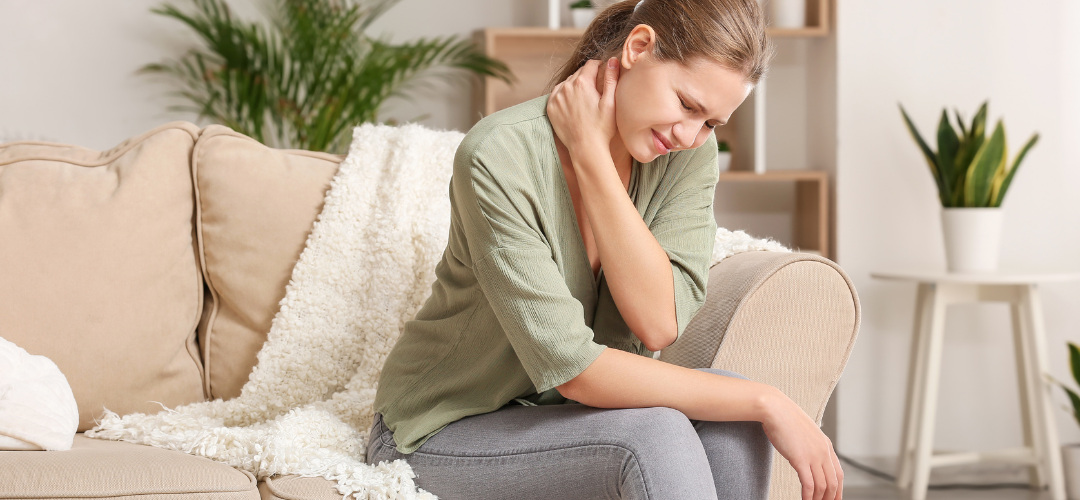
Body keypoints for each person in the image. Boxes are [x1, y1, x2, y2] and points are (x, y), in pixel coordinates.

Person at [368, 0, 843, 499]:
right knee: (670, 428)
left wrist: (594, 157)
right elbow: (575, 370)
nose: (690, 135)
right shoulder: (498, 156)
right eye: (686, 103)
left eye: (711, 123)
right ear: (639, 47)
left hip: (569, 422)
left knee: (733, 415)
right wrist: (769, 399)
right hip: (442, 430)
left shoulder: (687, 155)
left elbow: (657, 322)